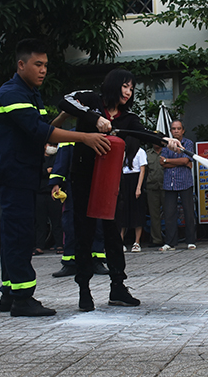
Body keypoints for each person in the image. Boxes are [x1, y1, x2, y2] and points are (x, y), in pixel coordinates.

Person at [0, 38, 111, 317]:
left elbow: (43, 127)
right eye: (37, 64)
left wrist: (65, 115)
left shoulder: (29, 93)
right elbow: (39, 133)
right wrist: (86, 136)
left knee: (13, 234)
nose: (43, 70)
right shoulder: (12, 94)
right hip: (14, 174)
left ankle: (9, 293)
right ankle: (22, 298)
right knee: (20, 235)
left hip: (20, 174)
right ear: (21, 65)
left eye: (46, 65)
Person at [56, 69, 182, 311]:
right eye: (125, 86)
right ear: (114, 85)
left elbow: (145, 133)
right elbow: (66, 100)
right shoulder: (92, 101)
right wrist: (94, 119)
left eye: (132, 88)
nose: (128, 92)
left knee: (113, 231)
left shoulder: (127, 117)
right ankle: (84, 289)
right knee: (84, 232)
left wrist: (166, 140)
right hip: (83, 177)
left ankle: (118, 287)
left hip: (109, 181)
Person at [48, 141, 109, 278]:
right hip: (73, 184)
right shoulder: (69, 137)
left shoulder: (100, 136)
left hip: (96, 183)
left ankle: (96, 260)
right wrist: (56, 183)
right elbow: (62, 159)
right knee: (70, 224)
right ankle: (70, 262)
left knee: (97, 223)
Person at [160, 120, 196, 251]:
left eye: (178, 128)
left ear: (183, 130)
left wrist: (168, 161)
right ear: (170, 131)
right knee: (169, 213)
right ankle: (170, 242)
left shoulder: (188, 143)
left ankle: (191, 241)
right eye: (173, 129)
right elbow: (161, 162)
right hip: (169, 182)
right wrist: (179, 162)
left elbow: (186, 159)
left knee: (188, 212)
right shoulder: (165, 144)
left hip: (185, 182)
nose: (176, 131)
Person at [116, 138, 148, 252]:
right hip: (125, 180)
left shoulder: (140, 152)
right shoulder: (123, 153)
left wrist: (138, 187)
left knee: (137, 213)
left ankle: (137, 242)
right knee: (123, 213)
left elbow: (142, 170)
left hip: (135, 180)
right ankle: (120, 241)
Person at [34, 143, 62, 255]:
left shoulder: (57, 157)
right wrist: (47, 171)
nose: (52, 147)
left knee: (57, 220)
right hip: (40, 192)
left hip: (54, 193)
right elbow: (36, 172)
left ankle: (60, 244)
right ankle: (39, 246)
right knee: (40, 221)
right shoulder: (38, 158)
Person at [143, 143, 165, 247]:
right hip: (152, 187)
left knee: (169, 213)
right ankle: (157, 239)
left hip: (166, 186)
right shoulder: (147, 154)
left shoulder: (166, 152)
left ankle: (170, 239)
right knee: (154, 214)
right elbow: (144, 171)